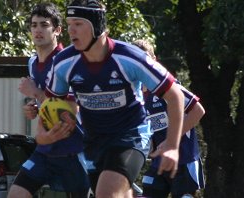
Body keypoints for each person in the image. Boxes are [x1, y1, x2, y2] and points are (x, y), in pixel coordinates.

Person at [37, 0, 185, 197]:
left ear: (97, 26)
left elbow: (175, 95)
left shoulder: (129, 57)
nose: (71, 30)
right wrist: (42, 135)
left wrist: (173, 146)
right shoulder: (64, 62)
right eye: (69, 23)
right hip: (94, 141)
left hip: (130, 136)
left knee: (106, 193)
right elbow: (50, 103)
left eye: (78, 24)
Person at [7, 3, 90, 198]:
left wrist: (36, 92)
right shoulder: (32, 62)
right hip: (45, 149)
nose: (38, 30)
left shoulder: (68, 60)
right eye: (34, 25)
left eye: (44, 25)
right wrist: (33, 108)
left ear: (57, 30)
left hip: (73, 149)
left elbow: (70, 110)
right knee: (16, 194)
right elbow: (47, 103)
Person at [133, 39, 205, 198]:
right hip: (159, 162)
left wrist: (170, 140)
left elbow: (198, 111)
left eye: (146, 60)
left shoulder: (168, 88)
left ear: (154, 61)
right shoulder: (135, 97)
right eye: (137, 61)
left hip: (184, 159)